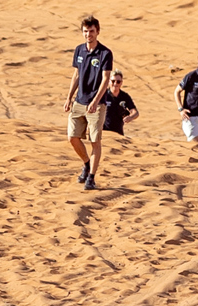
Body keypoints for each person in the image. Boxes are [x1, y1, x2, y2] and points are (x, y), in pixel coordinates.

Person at [63, 14, 113, 191]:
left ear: (97, 32)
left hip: (96, 104)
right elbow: (76, 75)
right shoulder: (79, 50)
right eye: (85, 31)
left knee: (95, 141)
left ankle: (91, 177)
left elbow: (106, 79)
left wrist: (96, 101)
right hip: (79, 101)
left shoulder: (105, 53)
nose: (88, 35)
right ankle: (86, 163)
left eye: (91, 31)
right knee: (72, 137)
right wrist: (69, 97)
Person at [102, 72, 140, 136]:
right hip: (104, 132)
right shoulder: (103, 95)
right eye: (113, 81)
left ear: (121, 83)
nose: (115, 84)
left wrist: (130, 117)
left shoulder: (124, 96)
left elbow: (135, 112)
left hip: (118, 133)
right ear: (109, 81)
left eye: (118, 82)